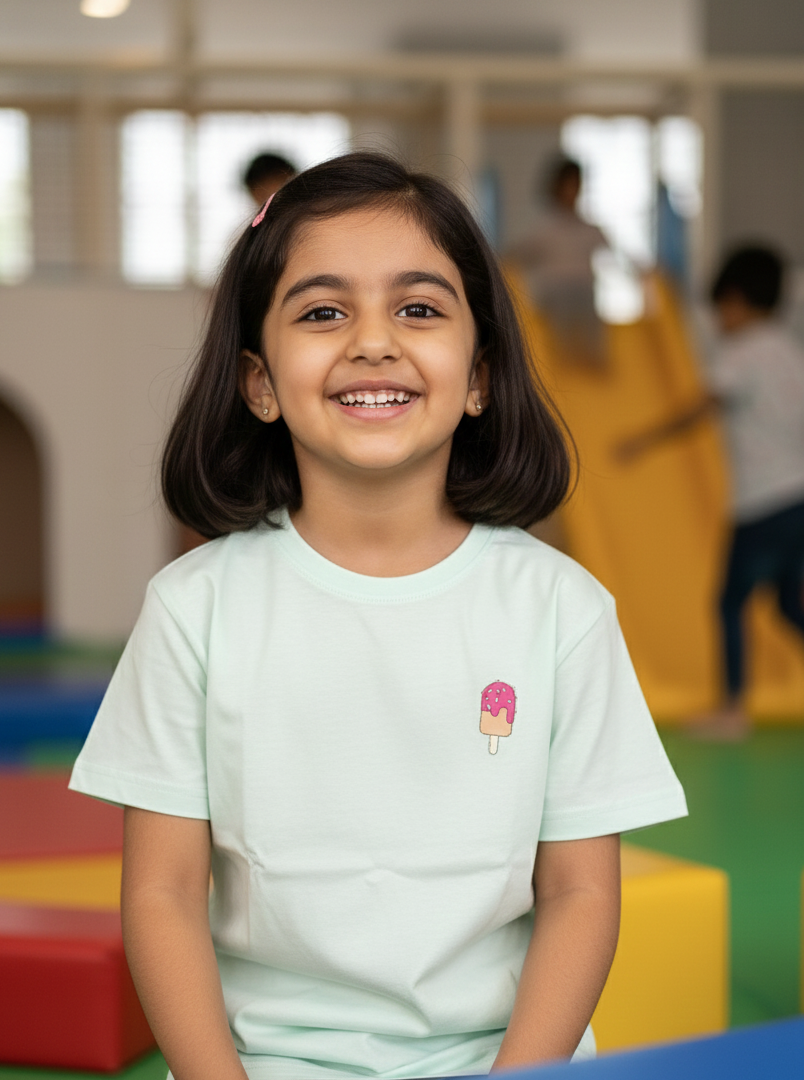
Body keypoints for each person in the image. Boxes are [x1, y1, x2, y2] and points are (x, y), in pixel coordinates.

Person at [69, 152, 687, 1080]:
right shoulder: (195, 608)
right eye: (323, 311)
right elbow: (161, 893)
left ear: (478, 377)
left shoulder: (560, 608)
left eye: (419, 308)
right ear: (259, 383)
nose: (372, 341)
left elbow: (580, 894)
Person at [617, 245, 804, 739]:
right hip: (799, 500)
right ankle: (732, 705)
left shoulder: (740, 353)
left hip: (761, 504)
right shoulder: (790, 351)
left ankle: (732, 709)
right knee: (790, 606)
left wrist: (642, 441)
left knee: (729, 603)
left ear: (738, 301)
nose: (718, 321)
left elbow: (700, 407)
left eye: (721, 309)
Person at [511, 157, 609, 368]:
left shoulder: (587, 227)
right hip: (555, 291)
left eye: (577, 186)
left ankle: (593, 358)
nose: (572, 192)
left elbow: (614, 253)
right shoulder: (545, 227)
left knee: (588, 306)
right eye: (568, 186)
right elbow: (518, 253)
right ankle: (564, 358)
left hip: (582, 289)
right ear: (556, 188)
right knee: (563, 303)